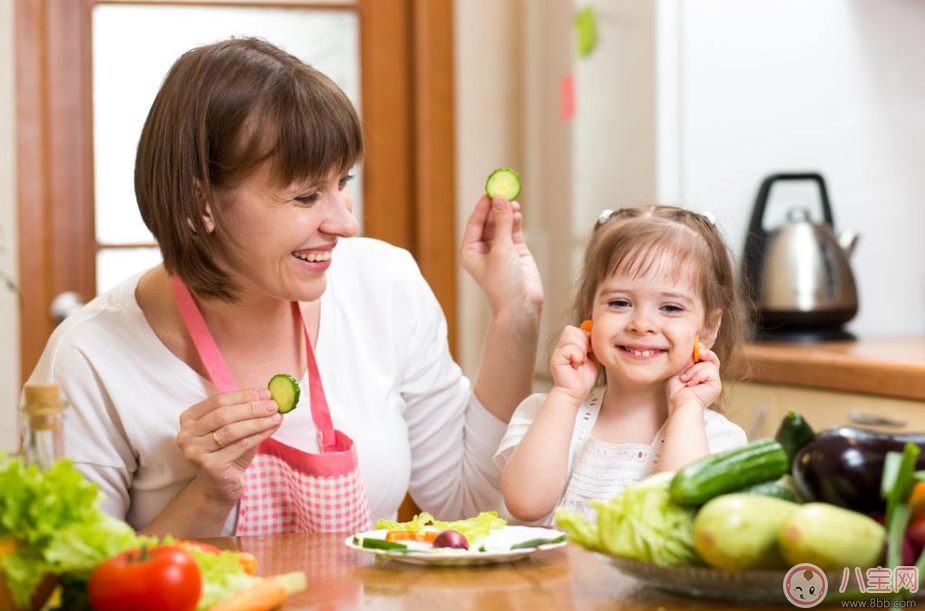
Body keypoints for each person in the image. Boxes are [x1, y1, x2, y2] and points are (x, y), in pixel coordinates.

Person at [26, 38, 543, 538]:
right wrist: (208, 495)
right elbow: (74, 589)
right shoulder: (88, 357)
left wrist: (516, 315)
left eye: (344, 183)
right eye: (304, 197)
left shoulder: (384, 285)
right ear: (200, 203)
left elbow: (466, 498)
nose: (345, 224)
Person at [496, 206, 747, 524]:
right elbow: (525, 504)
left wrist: (686, 409)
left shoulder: (715, 439)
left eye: (670, 307)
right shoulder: (550, 414)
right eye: (620, 303)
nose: (642, 324)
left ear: (708, 329)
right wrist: (566, 396)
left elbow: (681, 519)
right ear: (591, 312)